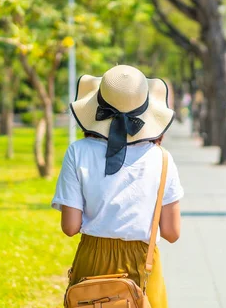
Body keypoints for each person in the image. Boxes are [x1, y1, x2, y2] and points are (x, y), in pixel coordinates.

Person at [52, 65, 184, 308]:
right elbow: (172, 233)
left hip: (92, 263)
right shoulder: (162, 159)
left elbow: (70, 227)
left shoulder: (77, 152)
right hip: (144, 266)